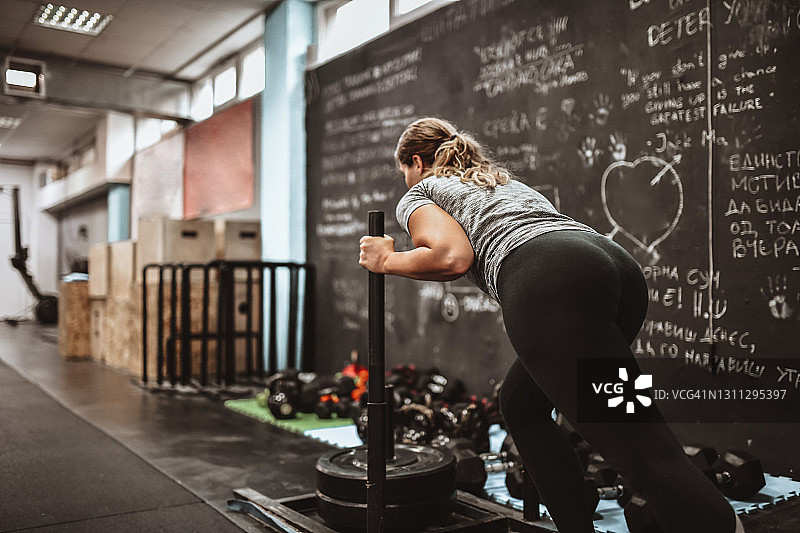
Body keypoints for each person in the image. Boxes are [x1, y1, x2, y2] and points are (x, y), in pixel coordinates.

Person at [358, 117, 744, 533]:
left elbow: (452, 257)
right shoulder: (497, 180)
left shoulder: (422, 192)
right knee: (521, 405)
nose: (405, 182)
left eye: (404, 173)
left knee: (642, 450)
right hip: (613, 268)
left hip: (552, 284)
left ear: (416, 162)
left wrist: (386, 260)